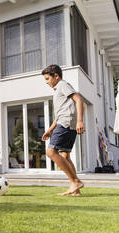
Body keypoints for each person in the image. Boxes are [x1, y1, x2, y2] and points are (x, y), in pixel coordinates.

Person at [41, 64, 85, 196]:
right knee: (65, 156)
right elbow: (59, 114)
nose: (47, 82)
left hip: (66, 123)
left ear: (56, 76)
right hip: (65, 122)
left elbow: (79, 99)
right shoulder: (58, 89)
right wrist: (49, 130)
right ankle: (75, 190)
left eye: (48, 79)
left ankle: (75, 181)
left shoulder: (62, 85)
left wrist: (80, 120)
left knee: (50, 151)